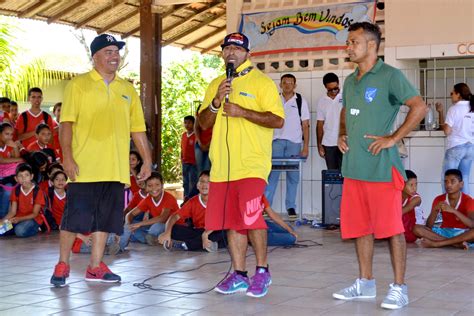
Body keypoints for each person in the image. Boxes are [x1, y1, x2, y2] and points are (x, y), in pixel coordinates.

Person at [333, 22, 428, 310]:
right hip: (354, 168)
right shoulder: (350, 81)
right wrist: (341, 134)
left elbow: (419, 106)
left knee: (392, 229)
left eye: (353, 42)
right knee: (361, 228)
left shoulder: (390, 75)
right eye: (348, 42)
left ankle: (400, 288)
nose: (348, 46)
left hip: (382, 169)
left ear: (372, 45)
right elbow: (346, 112)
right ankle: (365, 282)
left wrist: (393, 137)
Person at [50, 34, 152, 287]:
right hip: (84, 166)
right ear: (94, 57)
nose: (114, 56)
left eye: (116, 52)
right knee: (74, 219)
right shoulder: (78, 85)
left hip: (115, 168)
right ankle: (63, 264)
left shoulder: (127, 89)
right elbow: (67, 125)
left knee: (104, 219)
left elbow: (138, 129)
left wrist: (147, 161)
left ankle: (95, 267)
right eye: (108, 52)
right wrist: (68, 157)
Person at [197, 32, 284, 298]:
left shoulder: (262, 83)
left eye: (237, 48)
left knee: (251, 218)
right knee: (233, 221)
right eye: (227, 48)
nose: (231, 52)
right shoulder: (216, 83)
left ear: (248, 54)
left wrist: (242, 111)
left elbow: (277, 120)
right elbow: (203, 123)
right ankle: (239, 273)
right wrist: (214, 103)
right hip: (222, 168)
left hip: (252, 166)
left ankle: (262, 271)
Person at [264, 74, 310, 219]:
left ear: (295, 85)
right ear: (280, 84)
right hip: (276, 142)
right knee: (272, 176)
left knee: (293, 176)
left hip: (294, 143)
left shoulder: (300, 101)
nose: (287, 85)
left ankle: (291, 207)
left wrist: (306, 147)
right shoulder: (274, 100)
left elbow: (306, 125)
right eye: (285, 82)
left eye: (290, 83)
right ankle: (266, 207)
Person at [157, 170, 226, 251]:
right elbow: (174, 216)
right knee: (174, 229)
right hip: (198, 231)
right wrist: (167, 233)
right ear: (197, 185)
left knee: (224, 233)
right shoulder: (193, 201)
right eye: (202, 181)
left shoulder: (220, 200)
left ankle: (184, 245)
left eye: (208, 182)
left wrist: (205, 234)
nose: (204, 184)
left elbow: (221, 221)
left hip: (213, 230)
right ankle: (208, 245)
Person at [413, 169, 474, 248]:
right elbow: (428, 226)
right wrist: (435, 210)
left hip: (462, 233)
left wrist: (454, 211)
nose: (448, 185)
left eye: (452, 181)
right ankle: (455, 244)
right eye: (446, 181)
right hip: (444, 232)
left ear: (461, 184)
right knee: (417, 228)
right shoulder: (439, 199)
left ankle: (437, 243)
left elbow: (472, 224)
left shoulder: (468, 200)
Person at [119, 172, 179, 250]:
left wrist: (140, 224)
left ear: (162, 185)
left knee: (156, 227)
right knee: (132, 225)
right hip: (153, 228)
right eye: (150, 186)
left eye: (157, 185)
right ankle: (120, 247)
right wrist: (128, 224)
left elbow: (162, 218)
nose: (154, 188)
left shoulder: (169, 198)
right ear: (146, 187)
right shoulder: (147, 199)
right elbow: (130, 214)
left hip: (172, 227)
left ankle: (148, 238)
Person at [436, 83, 474, 194]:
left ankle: (447, 207)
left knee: (447, 178)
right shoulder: (472, 107)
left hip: (456, 147)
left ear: (459, 94)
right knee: (464, 179)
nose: (451, 95)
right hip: (470, 147)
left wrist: (441, 112)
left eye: (452, 93)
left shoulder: (454, 109)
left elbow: (447, 131)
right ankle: (467, 209)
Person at [0, 163, 45, 237]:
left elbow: (34, 214)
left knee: (20, 231)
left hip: (33, 219)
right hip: (17, 218)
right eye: (20, 176)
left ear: (31, 176)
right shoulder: (16, 190)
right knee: (1, 230)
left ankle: (36, 228)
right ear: (16, 179)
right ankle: (13, 229)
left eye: (26, 175)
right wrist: (3, 221)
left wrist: (19, 219)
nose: (23, 178)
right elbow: (12, 212)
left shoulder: (37, 191)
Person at [316, 72, 343, 170]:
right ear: (325, 87)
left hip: (345, 141)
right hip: (328, 143)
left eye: (335, 88)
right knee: (332, 175)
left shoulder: (346, 96)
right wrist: (319, 145)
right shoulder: (322, 101)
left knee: (345, 174)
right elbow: (319, 124)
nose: (333, 91)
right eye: (330, 89)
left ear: (338, 83)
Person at [401, 170, 422, 243]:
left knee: (418, 229)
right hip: (402, 232)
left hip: (414, 232)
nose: (414, 188)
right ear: (401, 184)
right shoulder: (396, 197)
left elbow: (402, 211)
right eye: (411, 185)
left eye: (416, 184)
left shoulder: (416, 198)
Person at [181, 115, 198, 201]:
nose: (187, 125)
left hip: (193, 163)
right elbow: (182, 148)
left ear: (194, 124)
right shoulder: (184, 135)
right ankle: (185, 198)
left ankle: (191, 200)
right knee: (185, 182)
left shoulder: (196, 136)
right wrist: (181, 159)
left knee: (192, 182)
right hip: (185, 163)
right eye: (185, 123)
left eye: (189, 123)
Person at [194, 106, 212, 175]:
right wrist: (200, 143)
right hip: (199, 145)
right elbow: (196, 128)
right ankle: (200, 184)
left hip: (211, 145)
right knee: (199, 168)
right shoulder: (199, 114)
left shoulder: (215, 115)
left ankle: (206, 185)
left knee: (207, 167)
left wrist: (208, 144)